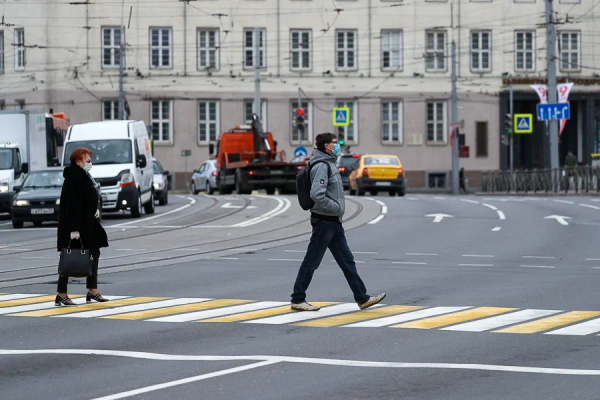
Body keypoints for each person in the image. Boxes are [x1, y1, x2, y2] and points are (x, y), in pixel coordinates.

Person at [291, 132, 386, 311]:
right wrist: (335, 207)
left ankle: (362, 298)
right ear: (326, 146)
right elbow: (317, 195)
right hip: (324, 221)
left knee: (347, 261)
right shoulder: (322, 165)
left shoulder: (329, 163)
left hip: (333, 223)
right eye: (334, 143)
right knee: (312, 261)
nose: (337, 145)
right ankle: (297, 298)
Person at [56, 147, 109, 306]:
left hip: (87, 225)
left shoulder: (84, 176)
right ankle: (61, 293)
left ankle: (92, 290)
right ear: (78, 161)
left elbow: (88, 198)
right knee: (69, 258)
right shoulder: (73, 178)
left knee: (94, 253)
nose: (90, 163)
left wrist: (94, 210)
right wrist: (74, 229)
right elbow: (71, 206)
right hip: (76, 227)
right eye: (87, 160)